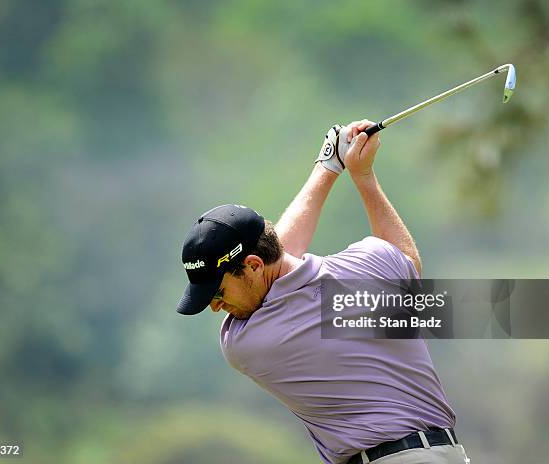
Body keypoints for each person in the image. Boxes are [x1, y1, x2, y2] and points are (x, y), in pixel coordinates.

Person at [176, 120, 471, 464]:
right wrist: (361, 176)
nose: (216, 307)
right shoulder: (370, 266)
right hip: (446, 454)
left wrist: (328, 168)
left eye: (218, 292)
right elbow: (406, 259)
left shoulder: (245, 342)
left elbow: (282, 257)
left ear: (254, 265)